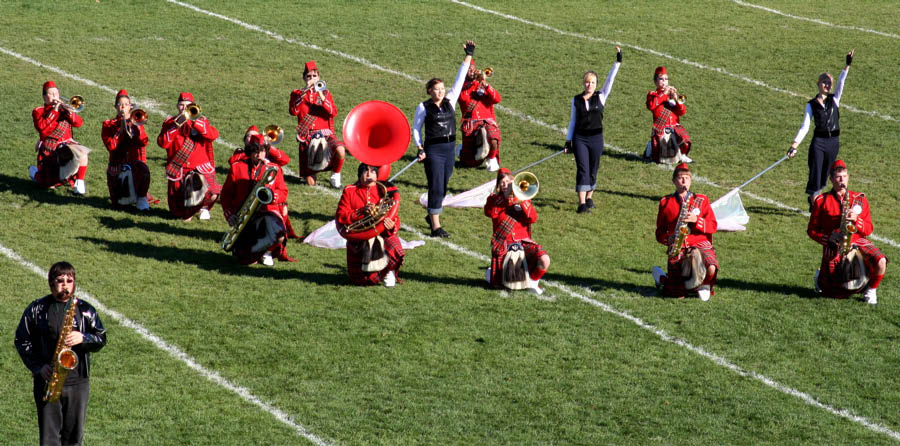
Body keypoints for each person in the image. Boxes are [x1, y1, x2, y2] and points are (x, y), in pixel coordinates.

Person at [15, 261, 107, 446]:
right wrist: (38, 367)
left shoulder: (86, 310)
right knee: (49, 439)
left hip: (77, 382)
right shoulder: (36, 309)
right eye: (60, 280)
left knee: (74, 437)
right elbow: (22, 340)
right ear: (51, 283)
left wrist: (83, 338)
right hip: (48, 381)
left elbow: (101, 338)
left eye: (69, 280)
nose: (65, 285)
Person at [412, 40, 474, 237]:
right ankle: (436, 227)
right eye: (436, 89)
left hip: (449, 148)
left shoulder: (450, 101)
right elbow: (415, 129)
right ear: (429, 91)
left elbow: (460, 77)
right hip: (434, 150)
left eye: (442, 88)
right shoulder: (423, 107)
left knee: (444, 183)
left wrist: (468, 55)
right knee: (436, 185)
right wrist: (420, 148)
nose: (440, 92)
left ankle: (432, 214)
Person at [807, 160, 886, 303]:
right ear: (831, 179)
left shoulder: (859, 199)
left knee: (880, 261)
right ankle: (821, 279)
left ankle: (871, 290)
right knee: (834, 294)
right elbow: (811, 230)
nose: (842, 180)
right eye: (838, 177)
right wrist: (828, 237)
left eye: (844, 176)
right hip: (834, 243)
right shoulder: (821, 200)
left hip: (856, 240)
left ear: (848, 177)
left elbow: (869, 229)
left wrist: (857, 220)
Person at [788, 50, 854, 209]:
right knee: (816, 172)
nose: (828, 85)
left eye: (829, 82)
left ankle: (816, 201)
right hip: (819, 142)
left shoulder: (835, 99)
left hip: (833, 142)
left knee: (826, 174)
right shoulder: (810, 104)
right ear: (818, 84)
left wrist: (847, 65)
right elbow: (805, 127)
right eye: (824, 82)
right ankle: (815, 202)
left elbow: (841, 82)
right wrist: (794, 145)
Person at [221, 132, 295, 266]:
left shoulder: (273, 168)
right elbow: (226, 195)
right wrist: (230, 214)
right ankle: (252, 252)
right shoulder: (237, 167)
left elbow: (283, 192)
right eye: (256, 151)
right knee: (245, 260)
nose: (260, 155)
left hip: (267, 212)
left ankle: (266, 251)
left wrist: (272, 196)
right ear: (250, 152)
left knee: (279, 236)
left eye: (262, 151)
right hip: (245, 215)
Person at [565, 46, 622, 214]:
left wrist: (617, 62)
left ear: (596, 84)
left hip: (596, 138)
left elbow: (610, 80)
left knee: (594, 168)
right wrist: (568, 141)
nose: (590, 85)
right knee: (583, 168)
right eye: (587, 82)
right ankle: (581, 203)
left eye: (593, 82)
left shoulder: (601, 96)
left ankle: (589, 197)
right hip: (580, 139)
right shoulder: (576, 100)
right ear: (584, 83)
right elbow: (572, 121)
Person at [653, 163, 718, 300]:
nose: (684, 181)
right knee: (677, 294)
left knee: (711, 266)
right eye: (680, 178)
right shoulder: (665, 202)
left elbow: (713, 226)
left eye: (687, 178)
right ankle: (661, 278)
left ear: (691, 180)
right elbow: (659, 233)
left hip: (699, 241)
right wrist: (668, 239)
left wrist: (697, 220)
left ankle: (704, 285)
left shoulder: (702, 200)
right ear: (674, 181)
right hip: (678, 245)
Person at [335, 164, 404, 286]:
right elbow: (342, 215)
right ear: (359, 175)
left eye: (372, 171)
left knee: (394, 244)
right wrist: (361, 212)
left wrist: (392, 225)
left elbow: (396, 217)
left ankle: (389, 271)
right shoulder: (349, 191)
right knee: (365, 281)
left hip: (382, 234)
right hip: (358, 239)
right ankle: (376, 273)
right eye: (365, 171)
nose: (369, 174)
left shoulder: (384, 191)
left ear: (377, 175)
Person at [484, 168, 550, 294]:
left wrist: (521, 201)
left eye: (508, 181)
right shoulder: (493, 199)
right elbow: (490, 212)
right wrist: (506, 198)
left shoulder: (522, 199)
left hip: (523, 243)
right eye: (502, 182)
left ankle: (533, 282)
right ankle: (491, 273)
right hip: (504, 246)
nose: (505, 184)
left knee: (545, 260)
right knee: (504, 285)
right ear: (498, 185)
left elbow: (533, 218)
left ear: (514, 182)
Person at [157, 92, 221, 221]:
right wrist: (176, 125)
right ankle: (192, 209)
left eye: (187, 105)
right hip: (179, 170)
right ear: (177, 106)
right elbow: (162, 143)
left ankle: (204, 207)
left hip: (198, 169)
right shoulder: (170, 122)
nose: (184, 108)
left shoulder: (201, 121)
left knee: (213, 194)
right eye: (181, 105)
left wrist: (194, 123)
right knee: (180, 214)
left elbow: (213, 135)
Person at [289, 60, 346, 188]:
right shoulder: (296, 94)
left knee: (340, 150)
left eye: (314, 76)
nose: (312, 79)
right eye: (309, 76)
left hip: (326, 133)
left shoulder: (325, 93)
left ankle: (335, 175)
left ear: (319, 77)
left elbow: (333, 112)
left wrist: (320, 93)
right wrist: (304, 93)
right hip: (307, 136)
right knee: (310, 183)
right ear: (304, 78)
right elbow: (293, 111)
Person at [30, 81, 90, 195]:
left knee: (82, 152)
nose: (54, 96)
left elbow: (78, 123)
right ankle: (35, 174)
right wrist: (55, 110)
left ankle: (80, 183)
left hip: (66, 147)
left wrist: (69, 111)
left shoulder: (64, 110)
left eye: (56, 93)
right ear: (44, 97)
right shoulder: (38, 111)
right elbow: (43, 129)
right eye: (51, 94)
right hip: (50, 152)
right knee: (48, 185)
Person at [101, 89, 152, 210]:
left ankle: (141, 199)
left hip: (133, 165)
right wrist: (121, 129)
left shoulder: (136, 121)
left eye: (126, 104)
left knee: (143, 169)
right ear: (115, 107)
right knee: (119, 204)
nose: (123, 106)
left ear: (130, 106)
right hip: (117, 168)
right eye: (120, 104)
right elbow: (111, 147)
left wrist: (137, 127)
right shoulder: (108, 125)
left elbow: (143, 142)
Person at [457, 54, 502, 171]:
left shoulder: (481, 84)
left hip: (487, 120)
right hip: (471, 124)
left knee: (493, 137)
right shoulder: (460, 88)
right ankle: (461, 150)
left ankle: (492, 158)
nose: (471, 72)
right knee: (470, 163)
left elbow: (497, 99)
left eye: (472, 70)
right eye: (468, 70)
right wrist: (471, 84)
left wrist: (485, 84)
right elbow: (463, 99)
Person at [644, 66, 691, 164]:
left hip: (674, 126)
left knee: (685, 140)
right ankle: (651, 147)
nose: (664, 82)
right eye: (661, 79)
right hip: (662, 128)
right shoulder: (653, 94)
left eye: (666, 79)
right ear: (655, 81)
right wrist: (664, 94)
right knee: (665, 159)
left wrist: (676, 99)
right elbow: (651, 106)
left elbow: (682, 112)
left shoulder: (673, 94)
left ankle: (683, 155)